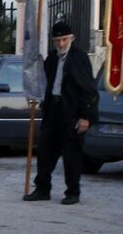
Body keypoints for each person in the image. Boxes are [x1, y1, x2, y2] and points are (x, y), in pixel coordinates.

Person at [23, 20, 98, 205]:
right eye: (57, 40)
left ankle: (73, 191)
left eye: (64, 40)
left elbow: (89, 90)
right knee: (46, 151)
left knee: (72, 153)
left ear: (72, 38)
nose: (61, 44)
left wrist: (85, 116)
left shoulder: (79, 58)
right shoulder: (52, 58)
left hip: (71, 112)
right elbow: (43, 81)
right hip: (53, 110)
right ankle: (42, 189)